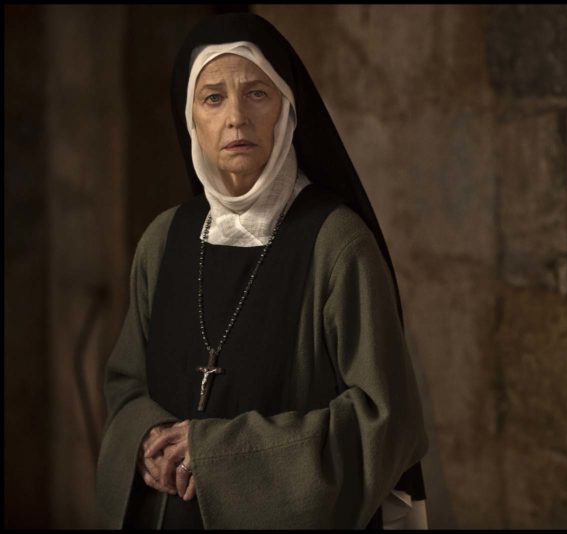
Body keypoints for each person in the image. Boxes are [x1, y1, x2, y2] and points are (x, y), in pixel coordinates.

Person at [95, 12, 428, 529]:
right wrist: (145, 440)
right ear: (191, 120)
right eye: (213, 98)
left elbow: (383, 422)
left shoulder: (337, 245)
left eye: (256, 94)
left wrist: (218, 454)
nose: (236, 118)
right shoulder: (163, 240)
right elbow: (125, 384)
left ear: (288, 111)